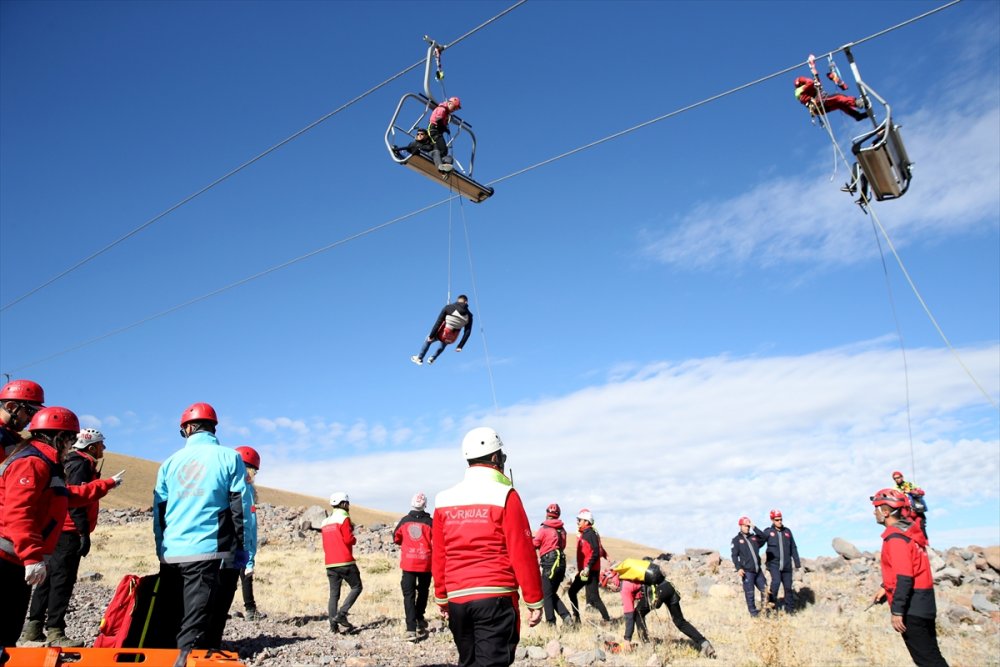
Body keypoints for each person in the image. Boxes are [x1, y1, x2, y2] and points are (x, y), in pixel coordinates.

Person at [0, 407, 123, 648]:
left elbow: (65, 495)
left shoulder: (46, 461)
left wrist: (106, 485)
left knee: (8, 632)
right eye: (70, 439)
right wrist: (32, 556)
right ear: (59, 437)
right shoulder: (33, 462)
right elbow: (18, 511)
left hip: (14, 557)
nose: (71, 445)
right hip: (7, 559)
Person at [432, 427, 543, 667]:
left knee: (469, 661)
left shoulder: (443, 499)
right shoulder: (505, 495)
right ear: (495, 458)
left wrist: (442, 597)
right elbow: (521, 551)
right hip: (495, 596)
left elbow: (439, 555)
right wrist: (534, 600)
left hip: (458, 600)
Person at [153, 402, 252, 666]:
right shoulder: (230, 458)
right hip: (206, 551)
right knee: (194, 624)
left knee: (170, 617)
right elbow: (240, 508)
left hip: (171, 553)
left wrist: (160, 549)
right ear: (213, 427)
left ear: (187, 428)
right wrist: (243, 551)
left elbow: (159, 513)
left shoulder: (169, 464)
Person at [24, 428, 111, 646]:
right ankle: (55, 631)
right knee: (62, 580)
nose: (104, 448)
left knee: (48, 579)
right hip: (69, 531)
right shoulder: (81, 464)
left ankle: (34, 628)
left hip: (58, 528)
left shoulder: (70, 461)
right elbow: (75, 498)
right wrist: (83, 531)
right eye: (101, 444)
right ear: (91, 447)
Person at [870, 488, 948, 667]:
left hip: (912, 608)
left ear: (886, 511)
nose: (874, 512)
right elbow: (911, 567)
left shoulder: (896, 539)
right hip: (924, 602)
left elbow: (904, 577)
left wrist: (897, 611)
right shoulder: (910, 535)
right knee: (931, 655)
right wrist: (885, 586)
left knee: (927, 660)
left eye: (877, 508)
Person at [205, 446, 263, 647]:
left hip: (219, 546)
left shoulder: (220, 485)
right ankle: (210, 642)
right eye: (253, 471)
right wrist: (249, 556)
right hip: (235, 547)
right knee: (231, 583)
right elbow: (248, 525)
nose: (254, 476)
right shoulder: (245, 490)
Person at [613, 558, 716, 658]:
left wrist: (627, 639)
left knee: (638, 613)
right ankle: (705, 644)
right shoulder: (632, 577)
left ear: (611, 582)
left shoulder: (624, 586)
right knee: (680, 621)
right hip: (668, 587)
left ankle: (647, 646)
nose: (610, 588)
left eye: (608, 586)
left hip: (658, 591)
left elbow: (629, 614)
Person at [393, 492, 433, 642]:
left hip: (408, 564)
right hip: (425, 563)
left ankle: (410, 629)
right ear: (425, 505)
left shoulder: (404, 521)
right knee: (423, 591)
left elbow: (396, 537)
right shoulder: (430, 522)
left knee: (408, 595)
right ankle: (419, 618)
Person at [323, 491, 363, 634]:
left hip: (330, 563)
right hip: (345, 561)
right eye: (348, 503)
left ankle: (333, 626)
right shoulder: (344, 518)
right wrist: (354, 539)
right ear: (343, 503)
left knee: (334, 594)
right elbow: (347, 539)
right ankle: (342, 614)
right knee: (357, 587)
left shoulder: (326, 521)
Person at [533, 503, 573, 626]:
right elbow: (563, 546)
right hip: (561, 564)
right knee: (550, 592)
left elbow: (535, 544)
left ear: (547, 514)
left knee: (546, 594)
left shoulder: (544, 529)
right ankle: (566, 617)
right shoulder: (562, 530)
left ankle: (551, 623)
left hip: (550, 563)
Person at [568, 508, 611, 623]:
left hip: (591, 572)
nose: (577, 522)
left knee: (595, 598)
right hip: (584, 572)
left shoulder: (590, 534)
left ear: (586, 521)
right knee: (572, 591)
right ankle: (577, 619)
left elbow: (596, 552)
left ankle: (607, 620)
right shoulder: (585, 534)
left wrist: (588, 567)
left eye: (580, 520)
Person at [755, 509, 800, 613]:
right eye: (777, 519)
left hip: (787, 566)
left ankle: (790, 611)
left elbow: (793, 547)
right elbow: (758, 542)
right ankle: (771, 607)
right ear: (772, 520)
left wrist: (797, 562)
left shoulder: (787, 532)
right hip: (774, 565)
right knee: (775, 583)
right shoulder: (768, 532)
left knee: (788, 588)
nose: (779, 521)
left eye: (780, 519)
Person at [410, 295, 473, 366]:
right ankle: (433, 358)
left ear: (458, 300)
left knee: (427, 341)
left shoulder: (449, 307)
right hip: (452, 337)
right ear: (466, 302)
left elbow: (438, 322)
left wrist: (431, 336)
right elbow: (467, 332)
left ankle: (419, 358)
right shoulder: (469, 315)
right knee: (444, 343)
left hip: (442, 332)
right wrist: (460, 346)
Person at [0, 379, 45, 464]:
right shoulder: (2, 435)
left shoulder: (11, 436)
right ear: (11, 406)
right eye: (30, 411)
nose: (31, 419)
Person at [731, 516, 767, 617]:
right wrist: (739, 568)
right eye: (745, 526)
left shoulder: (754, 538)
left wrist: (754, 527)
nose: (747, 528)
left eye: (748, 526)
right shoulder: (736, 540)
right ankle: (754, 614)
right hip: (747, 572)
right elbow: (734, 556)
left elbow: (764, 537)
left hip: (758, 571)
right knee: (750, 593)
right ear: (740, 526)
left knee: (765, 590)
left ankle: (765, 610)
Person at [794, 76, 867, 121]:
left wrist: (813, 67)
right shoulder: (800, 90)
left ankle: (856, 115)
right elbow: (810, 82)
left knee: (840, 104)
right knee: (838, 97)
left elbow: (816, 83)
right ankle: (857, 103)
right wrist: (805, 80)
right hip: (819, 102)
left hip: (819, 109)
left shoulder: (805, 91)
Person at [427, 96, 461, 172]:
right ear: (449, 103)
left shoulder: (446, 112)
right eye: (454, 107)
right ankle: (440, 165)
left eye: (455, 109)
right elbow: (438, 120)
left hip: (438, 131)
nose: (454, 110)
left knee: (443, 149)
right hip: (434, 130)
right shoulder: (442, 109)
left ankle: (444, 163)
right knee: (442, 148)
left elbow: (442, 122)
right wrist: (444, 128)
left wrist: (444, 127)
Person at [892, 470, 929, 538]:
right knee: (910, 529)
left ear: (902, 477)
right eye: (895, 478)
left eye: (898, 477)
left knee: (921, 527)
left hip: (917, 510)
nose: (897, 479)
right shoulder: (894, 489)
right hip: (905, 512)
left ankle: (926, 546)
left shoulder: (910, 484)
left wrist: (911, 491)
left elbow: (921, 492)